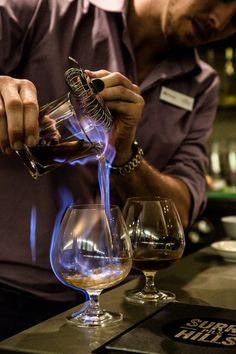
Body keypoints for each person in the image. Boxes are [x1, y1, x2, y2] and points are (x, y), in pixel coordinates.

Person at [0, 0, 236, 340]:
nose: (219, 20)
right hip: (9, 292)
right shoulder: (42, 9)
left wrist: (123, 153)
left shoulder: (202, 83)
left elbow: (176, 217)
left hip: (116, 304)